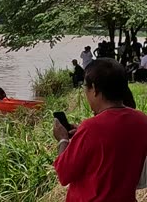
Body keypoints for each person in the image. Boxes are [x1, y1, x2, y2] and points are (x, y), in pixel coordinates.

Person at [53, 58, 147, 202]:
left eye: (86, 88)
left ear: (95, 89)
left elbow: (64, 174)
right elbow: (117, 141)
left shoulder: (91, 128)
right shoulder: (142, 120)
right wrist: (83, 135)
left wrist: (63, 140)